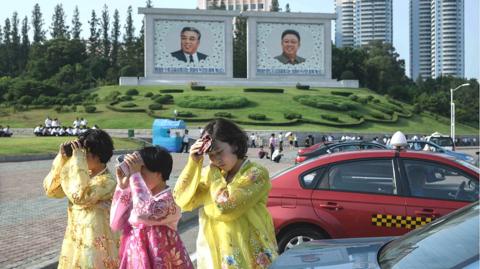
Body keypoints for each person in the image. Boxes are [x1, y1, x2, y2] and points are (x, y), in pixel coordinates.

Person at [173, 118, 278, 269]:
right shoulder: (211, 174)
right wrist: (193, 163)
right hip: (216, 256)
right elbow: (181, 198)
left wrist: (214, 172)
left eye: (220, 152)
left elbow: (226, 206)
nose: (216, 160)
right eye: (211, 155)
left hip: (250, 257)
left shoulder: (255, 173)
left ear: (235, 144)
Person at [43, 129, 119, 268]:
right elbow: (52, 190)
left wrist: (78, 160)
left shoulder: (108, 181)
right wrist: (62, 159)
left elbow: (81, 196)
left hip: (97, 247)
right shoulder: (80, 176)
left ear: (98, 155)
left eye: (85, 153)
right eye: (80, 152)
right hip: (75, 242)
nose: (81, 156)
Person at [110, 147, 193, 269]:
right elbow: (115, 224)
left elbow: (142, 212)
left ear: (158, 173)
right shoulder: (138, 197)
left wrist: (135, 176)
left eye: (141, 171)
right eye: (136, 172)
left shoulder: (169, 202)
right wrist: (124, 188)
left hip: (161, 260)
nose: (137, 175)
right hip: (135, 259)